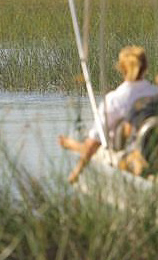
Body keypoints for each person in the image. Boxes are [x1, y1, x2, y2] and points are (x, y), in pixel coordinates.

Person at [59, 46, 158, 183]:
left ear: (122, 69)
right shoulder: (155, 93)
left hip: (125, 155)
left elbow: (93, 145)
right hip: (153, 153)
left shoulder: (113, 100)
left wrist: (75, 173)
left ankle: (71, 144)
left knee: (95, 150)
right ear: (146, 68)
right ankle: (72, 144)